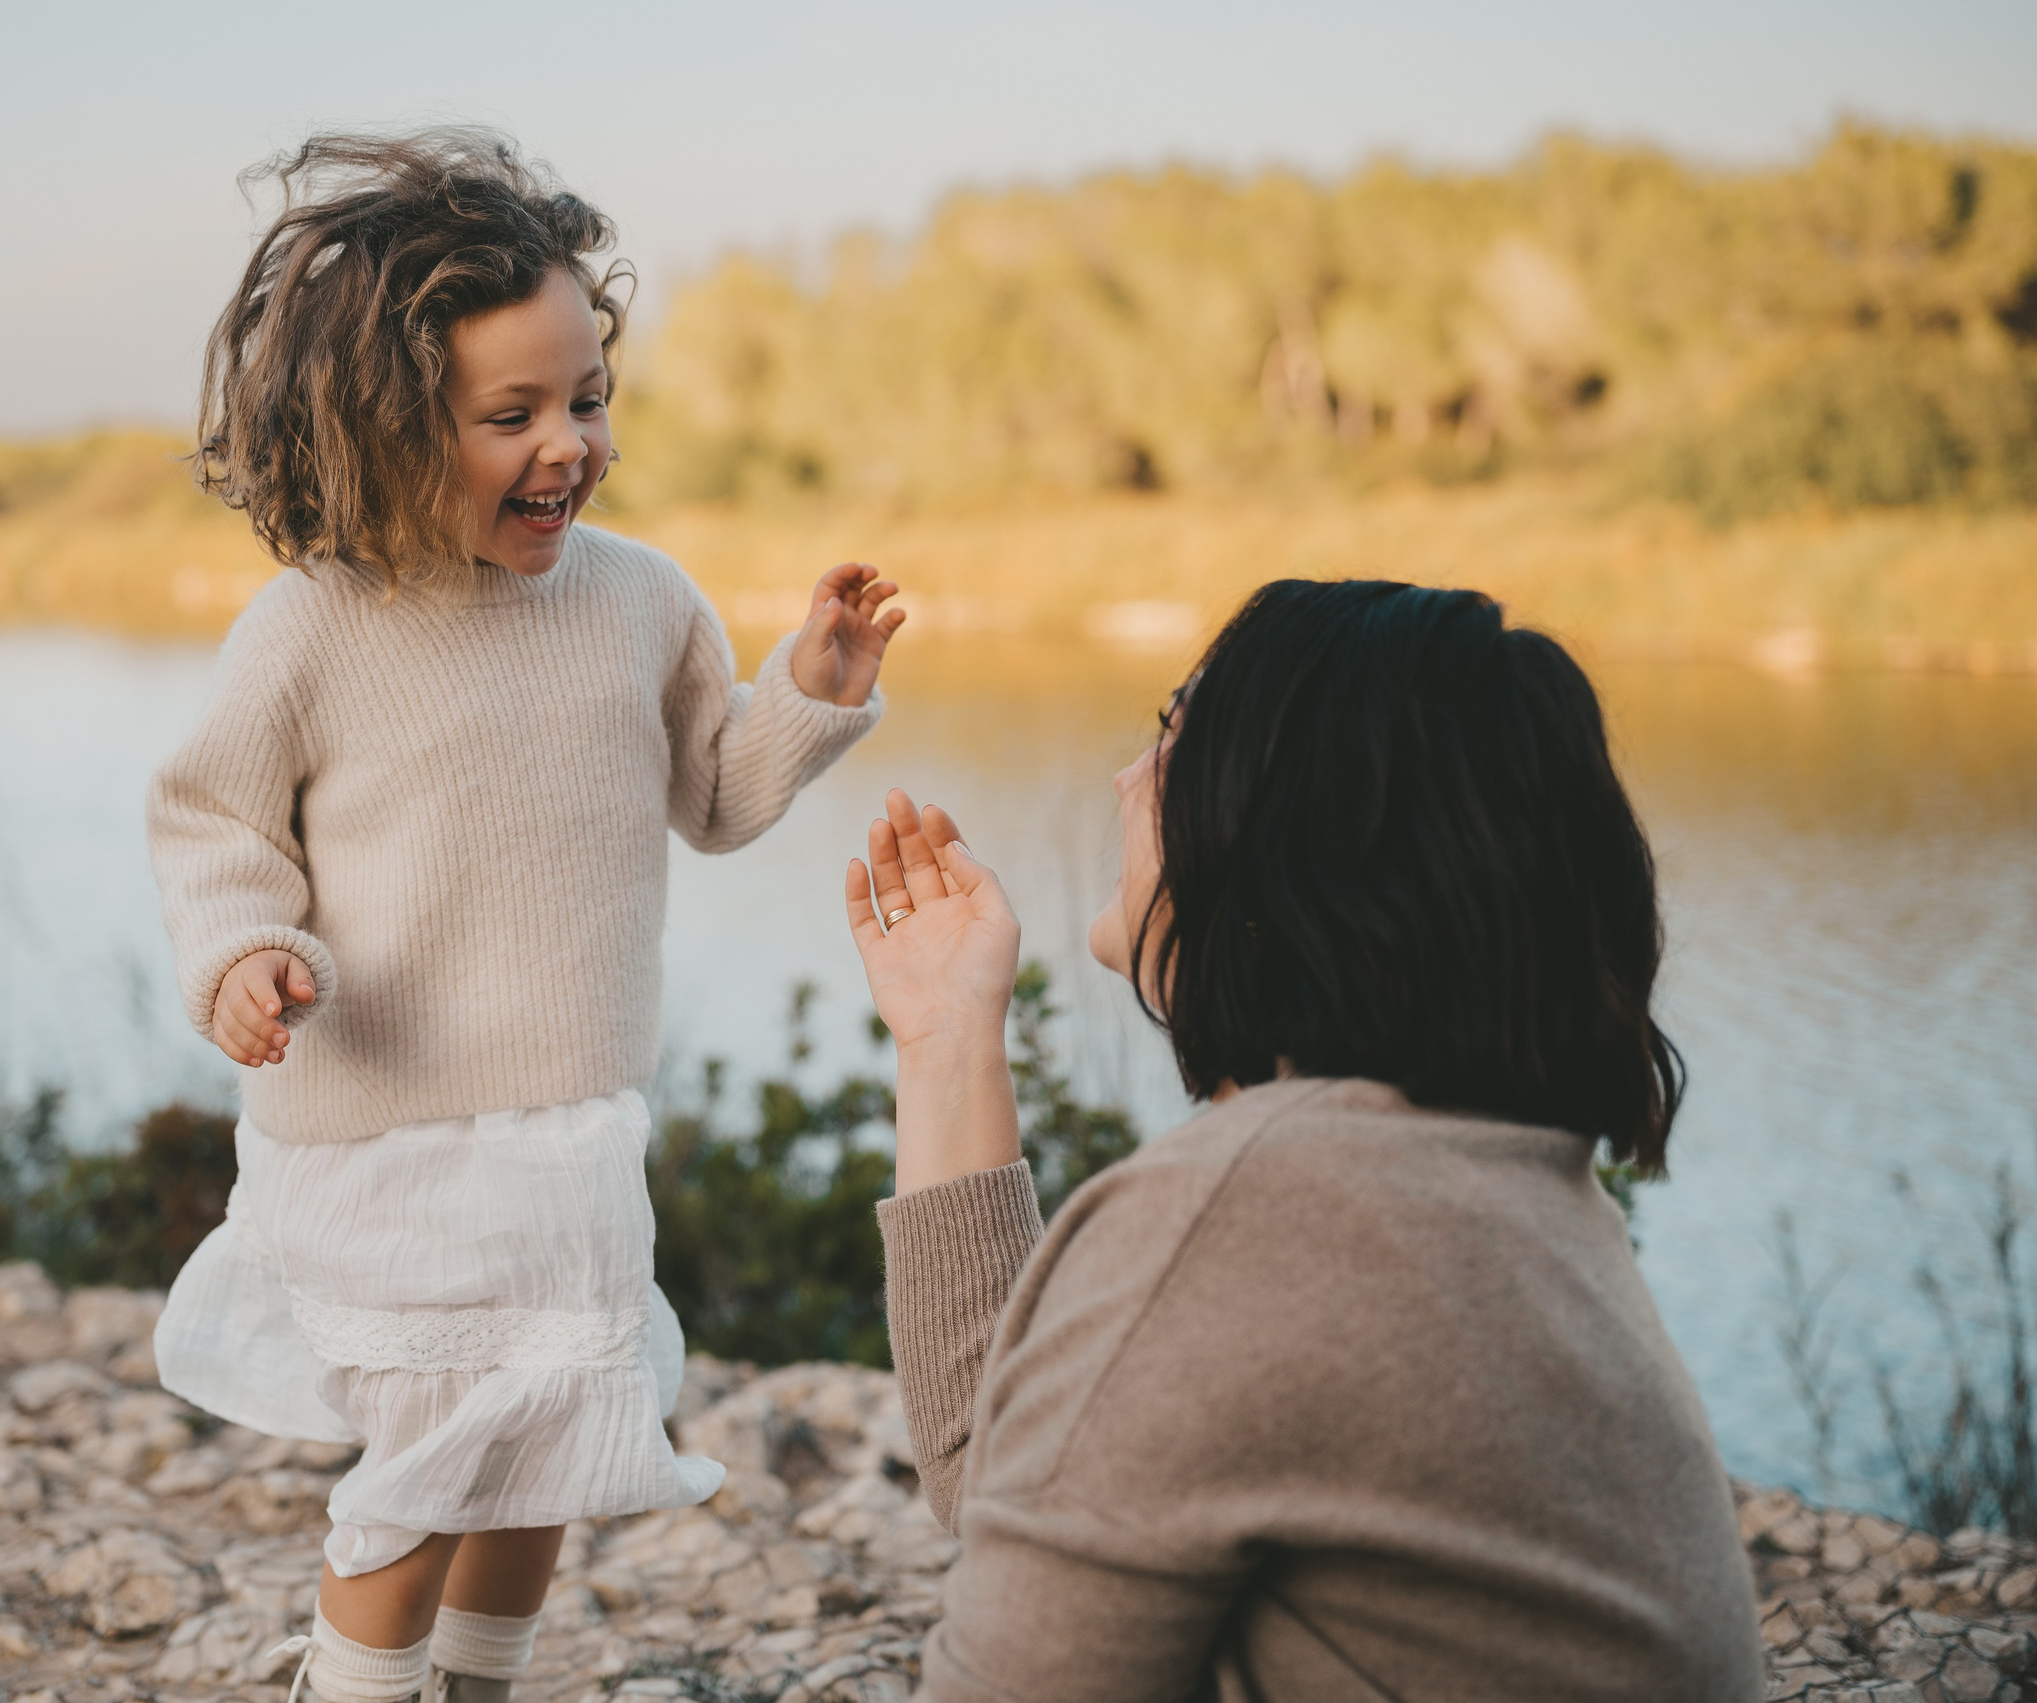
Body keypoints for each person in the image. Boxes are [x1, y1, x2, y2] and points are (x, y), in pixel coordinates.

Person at [144, 130, 902, 1703]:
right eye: (513, 415)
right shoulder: (312, 626)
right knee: (426, 1470)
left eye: (588, 397)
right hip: (381, 1142)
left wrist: (807, 698)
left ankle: (481, 1684)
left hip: (568, 1130)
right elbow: (214, 819)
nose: (570, 443)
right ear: (381, 431)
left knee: (550, 1449)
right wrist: (243, 953)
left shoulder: (637, 598)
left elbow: (713, 790)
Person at [844, 579, 1766, 1701]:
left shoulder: (1251, 1202)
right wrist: (946, 1041)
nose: (1125, 777)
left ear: (1278, 825)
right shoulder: (1493, 1184)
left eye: (1170, 736)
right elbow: (1019, 1474)